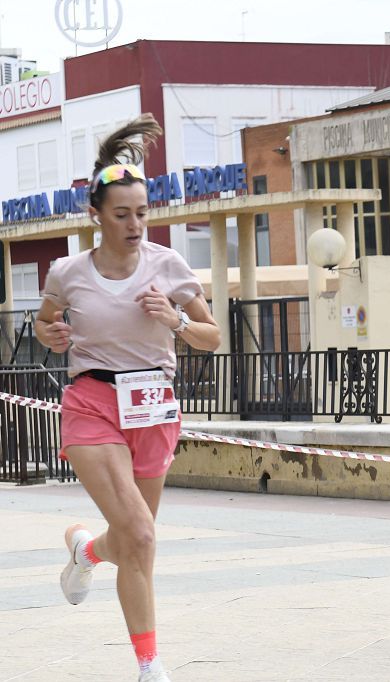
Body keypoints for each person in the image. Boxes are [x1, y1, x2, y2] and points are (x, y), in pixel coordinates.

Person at [35, 114, 221, 681]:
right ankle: (150, 668)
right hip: (92, 403)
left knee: (132, 541)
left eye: (142, 212)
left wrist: (177, 319)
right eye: (122, 214)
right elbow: (45, 323)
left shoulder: (169, 266)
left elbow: (212, 338)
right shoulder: (67, 272)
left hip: (153, 407)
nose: (136, 223)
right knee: (140, 534)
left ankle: (86, 552)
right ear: (96, 215)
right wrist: (52, 334)